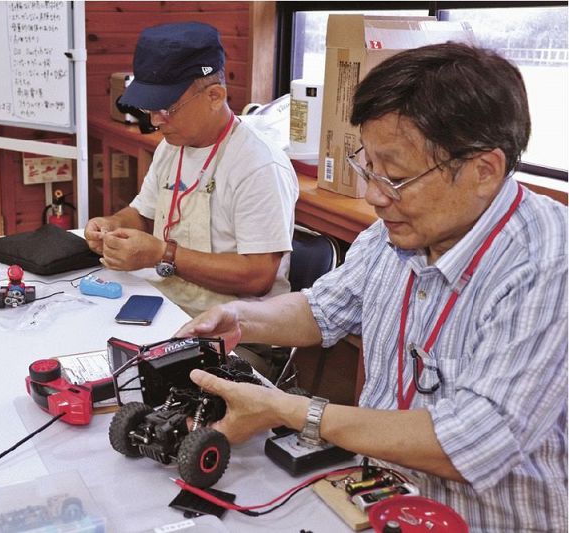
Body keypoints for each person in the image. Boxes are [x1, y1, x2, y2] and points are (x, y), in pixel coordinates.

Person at [177, 42, 567, 530]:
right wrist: (241, 319)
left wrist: (294, 411)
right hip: (375, 497)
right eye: (369, 167)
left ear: (483, 170)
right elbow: (323, 310)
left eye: (397, 177)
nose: (374, 195)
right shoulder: (398, 230)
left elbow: (470, 442)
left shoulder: (548, 261)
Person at [84, 22, 299, 317]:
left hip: (234, 327)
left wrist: (163, 254)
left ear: (215, 97)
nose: (156, 121)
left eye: (167, 109)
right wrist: (111, 226)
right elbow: (142, 216)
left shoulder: (258, 165)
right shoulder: (172, 145)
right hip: (166, 303)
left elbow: (257, 277)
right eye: (149, 109)